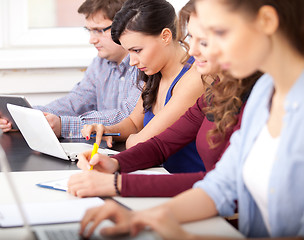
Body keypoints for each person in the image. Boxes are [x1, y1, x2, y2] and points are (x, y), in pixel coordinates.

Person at [78, 0, 304, 239]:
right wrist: (141, 216)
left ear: (267, 22)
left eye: (215, 33)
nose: (195, 51)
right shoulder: (265, 92)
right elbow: (221, 185)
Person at [67, 0, 262, 198]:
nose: (192, 50)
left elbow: (222, 183)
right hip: (190, 191)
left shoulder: (207, 81)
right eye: (191, 37)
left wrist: (118, 183)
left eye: (203, 40)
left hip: (201, 196)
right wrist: (115, 162)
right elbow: (159, 144)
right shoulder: (217, 92)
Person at [80, 0, 205, 174]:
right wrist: (108, 130)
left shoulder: (194, 78)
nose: (131, 61)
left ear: (165, 36)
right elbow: (133, 123)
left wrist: (131, 139)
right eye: (128, 51)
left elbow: (140, 143)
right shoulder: (155, 73)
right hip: (155, 175)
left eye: (137, 50)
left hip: (186, 183)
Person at [0, 0, 141, 139]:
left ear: (124, 25)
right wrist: (29, 115)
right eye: (88, 30)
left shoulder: (143, 66)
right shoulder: (100, 63)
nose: (91, 40)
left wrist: (63, 125)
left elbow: (128, 118)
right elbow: (76, 101)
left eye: (98, 30)